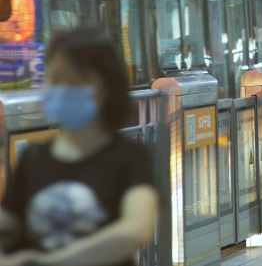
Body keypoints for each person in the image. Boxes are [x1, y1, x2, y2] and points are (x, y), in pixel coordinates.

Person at [0, 28, 159, 266]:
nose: (61, 89)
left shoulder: (131, 158)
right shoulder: (33, 158)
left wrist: (50, 262)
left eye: (74, 81)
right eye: (54, 79)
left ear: (105, 86)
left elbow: (136, 230)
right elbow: (8, 223)